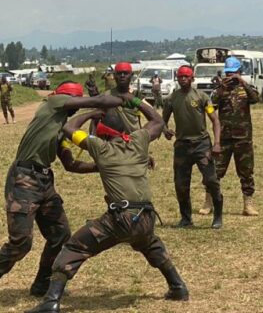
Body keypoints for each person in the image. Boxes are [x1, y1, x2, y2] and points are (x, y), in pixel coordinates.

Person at [25, 98, 189, 313]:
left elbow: (69, 128)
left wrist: (90, 113)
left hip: (122, 218)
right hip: (146, 216)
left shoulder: (100, 147)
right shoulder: (139, 141)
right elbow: (157, 121)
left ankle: (51, 302)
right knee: (149, 243)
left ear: (103, 132)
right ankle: (178, 286)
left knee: (74, 247)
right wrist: (136, 101)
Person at [0, 84, 127, 309]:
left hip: (44, 181)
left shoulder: (61, 127)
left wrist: (102, 166)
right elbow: (98, 103)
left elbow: (70, 164)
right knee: (21, 243)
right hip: (24, 178)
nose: (74, 107)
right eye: (73, 101)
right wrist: (122, 101)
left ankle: (41, 284)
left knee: (60, 235)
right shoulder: (51, 105)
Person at [162, 65, 224, 228]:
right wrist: (165, 130)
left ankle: (218, 216)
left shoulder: (202, 97)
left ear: (192, 78)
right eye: (180, 76)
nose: (183, 79)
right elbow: (162, 121)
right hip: (182, 146)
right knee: (181, 184)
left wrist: (217, 143)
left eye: (186, 76)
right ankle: (186, 218)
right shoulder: (171, 99)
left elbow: (215, 121)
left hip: (202, 144)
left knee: (211, 180)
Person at [208, 57, 260, 216]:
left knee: (246, 171)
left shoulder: (245, 88)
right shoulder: (221, 89)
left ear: (239, 72)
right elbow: (211, 106)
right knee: (215, 170)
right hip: (223, 137)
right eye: (228, 73)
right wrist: (220, 88)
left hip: (243, 137)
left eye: (233, 73)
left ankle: (248, 203)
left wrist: (242, 81)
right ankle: (208, 201)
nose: (230, 76)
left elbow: (256, 98)